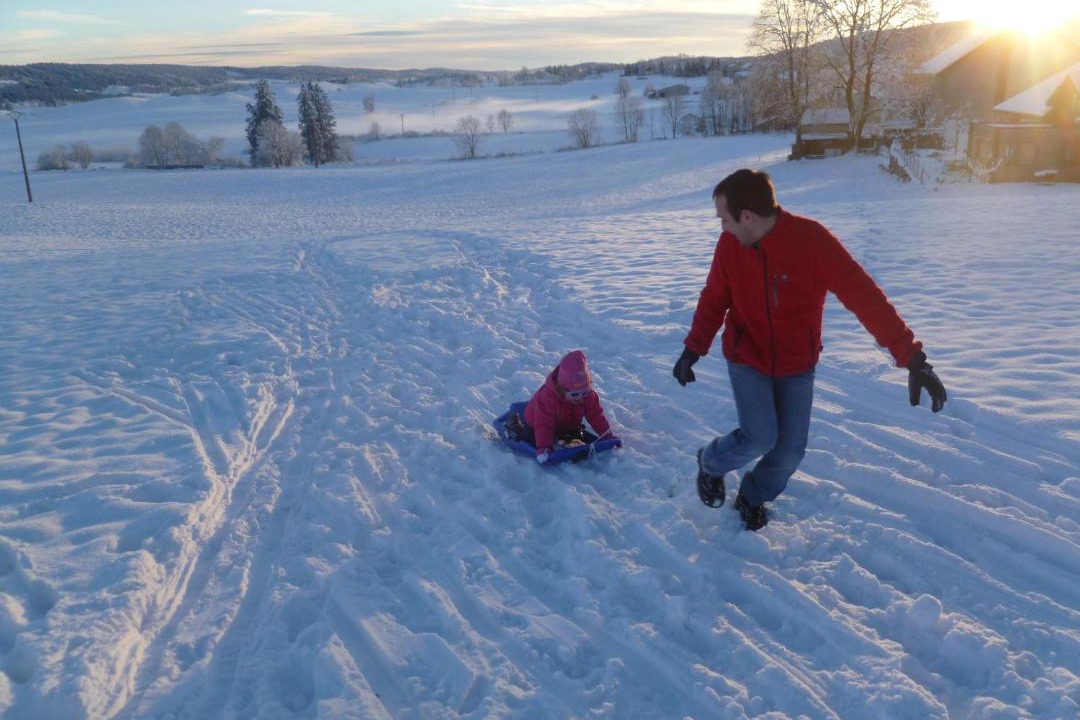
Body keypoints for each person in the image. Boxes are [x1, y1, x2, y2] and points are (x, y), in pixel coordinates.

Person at [673, 168, 946, 530]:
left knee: (789, 451)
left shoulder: (812, 242)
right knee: (760, 435)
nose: (722, 226)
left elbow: (863, 296)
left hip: (796, 363)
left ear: (748, 216)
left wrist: (912, 359)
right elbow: (714, 299)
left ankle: (752, 497)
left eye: (724, 218)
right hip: (747, 356)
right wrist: (694, 348)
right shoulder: (730, 247)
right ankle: (711, 462)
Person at [521, 350, 614, 464]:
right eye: (575, 394)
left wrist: (606, 435)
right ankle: (518, 431)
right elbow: (544, 424)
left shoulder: (588, 396)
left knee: (574, 436)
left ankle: (563, 434)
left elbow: (596, 415)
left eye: (584, 392)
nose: (580, 397)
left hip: (566, 423)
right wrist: (544, 447)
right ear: (562, 390)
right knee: (530, 437)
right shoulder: (547, 399)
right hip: (536, 423)